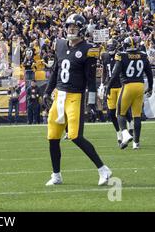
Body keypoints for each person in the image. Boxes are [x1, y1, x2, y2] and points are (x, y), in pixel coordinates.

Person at [43, 14, 112, 186]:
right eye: (69, 26)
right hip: (59, 96)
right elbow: (55, 71)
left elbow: (90, 80)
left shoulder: (88, 49)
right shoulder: (59, 45)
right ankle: (56, 175)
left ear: (81, 29)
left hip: (75, 97)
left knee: (75, 136)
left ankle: (103, 169)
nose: (70, 30)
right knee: (52, 137)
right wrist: (47, 91)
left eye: (74, 27)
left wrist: (91, 102)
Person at [106, 36, 153, 149]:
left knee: (120, 113)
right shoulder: (142, 55)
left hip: (127, 86)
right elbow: (149, 73)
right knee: (136, 115)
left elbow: (115, 74)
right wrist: (150, 87)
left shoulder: (122, 56)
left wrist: (109, 86)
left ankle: (125, 135)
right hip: (140, 86)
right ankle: (136, 143)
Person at [101, 38, 132, 146]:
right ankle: (119, 133)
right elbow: (104, 70)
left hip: (120, 85)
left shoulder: (120, 55)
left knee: (122, 109)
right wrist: (102, 83)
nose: (110, 48)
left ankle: (130, 126)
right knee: (111, 112)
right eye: (109, 46)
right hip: (110, 87)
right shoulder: (104, 56)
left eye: (112, 46)